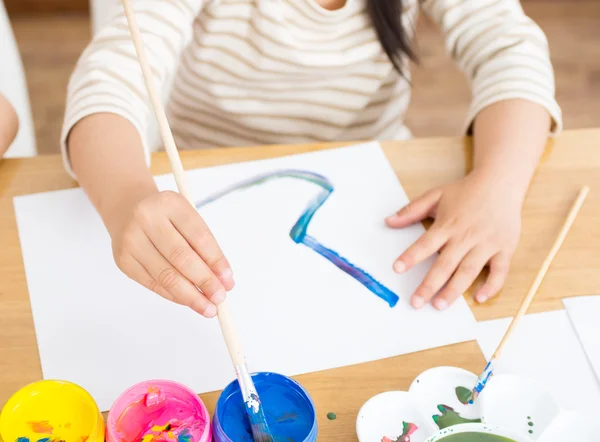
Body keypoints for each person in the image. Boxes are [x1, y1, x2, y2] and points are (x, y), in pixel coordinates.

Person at [62, 0, 561, 318]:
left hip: (377, 183)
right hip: (199, 183)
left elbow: (510, 50)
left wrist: (499, 184)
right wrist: (127, 194)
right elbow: (109, 82)